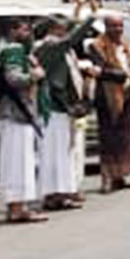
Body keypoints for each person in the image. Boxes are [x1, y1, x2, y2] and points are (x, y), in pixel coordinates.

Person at [34, 11, 94, 212]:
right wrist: (92, 16)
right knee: (53, 152)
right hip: (52, 107)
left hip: (62, 107)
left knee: (63, 152)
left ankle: (63, 192)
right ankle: (53, 195)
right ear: (52, 30)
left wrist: (79, 8)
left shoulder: (58, 48)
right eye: (61, 28)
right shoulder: (49, 47)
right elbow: (73, 37)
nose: (65, 31)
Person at [0, 19, 46, 222]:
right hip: (14, 112)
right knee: (16, 162)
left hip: (12, 113)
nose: (28, 33)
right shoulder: (12, 49)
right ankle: (16, 208)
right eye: (24, 29)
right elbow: (14, 79)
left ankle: (19, 206)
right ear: (13, 31)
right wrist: (35, 75)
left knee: (19, 161)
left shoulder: (4, 48)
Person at [89, 12, 130, 193]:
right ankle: (106, 179)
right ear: (105, 27)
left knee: (123, 138)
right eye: (113, 26)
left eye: (120, 26)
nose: (118, 30)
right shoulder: (96, 45)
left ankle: (120, 177)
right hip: (107, 97)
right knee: (108, 139)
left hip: (126, 95)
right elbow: (102, 70)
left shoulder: (125, 46)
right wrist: (126, 75)